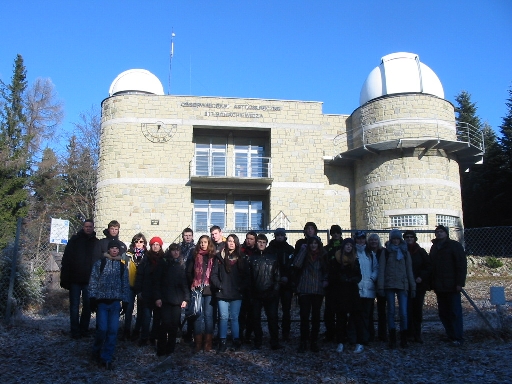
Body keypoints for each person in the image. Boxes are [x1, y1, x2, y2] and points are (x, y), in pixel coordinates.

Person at [89, 240, 130, 370]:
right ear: (108, 250)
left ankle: (107, 357)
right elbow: (93, 281)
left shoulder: (122, 267)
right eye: (112, 248)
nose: (114, 251)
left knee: (113, 331)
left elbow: (125, 284)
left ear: (119, 251)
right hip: (102, 302)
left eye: (116, 249)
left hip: (115, 303)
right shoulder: (100, 264)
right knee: (102, 329)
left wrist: (125, 301)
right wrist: (92, 298)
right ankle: (96, 351)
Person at [60, 219, 99, 339]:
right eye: (86, 226)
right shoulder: (74, 241)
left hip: (89, 280)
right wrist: (65, 278)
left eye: (90, 226)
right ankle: (75, 330)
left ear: (93, 228)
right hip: (75, 279)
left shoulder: (96, 242)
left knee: (88, 306)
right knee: (74, 306)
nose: (88, 228)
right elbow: (66, 259)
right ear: (83, 227)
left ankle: (84, 329)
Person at [429, 225, 467, 347]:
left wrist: (460, 283)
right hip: (440, 286)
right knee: (443, 312)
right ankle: (450, 335)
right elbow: (432, 266)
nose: (439, 234)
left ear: (446, 233)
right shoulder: (435, 247)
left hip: (452, 285)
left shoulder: (454, 246)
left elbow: (461, 265)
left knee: (455, 312)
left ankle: (458, 336)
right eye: (437, 232)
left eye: (441, 232)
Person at [378, 229, 416, 349]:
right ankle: (393, 337)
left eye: (397, 239)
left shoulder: (405, 253)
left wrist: (412, 286)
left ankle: (404, 337)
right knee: (391, 312)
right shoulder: (386, 252)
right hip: (389, 284)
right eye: (393, 239)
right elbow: (382, 270)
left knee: (403, 313)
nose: (395, 241)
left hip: (402, 284)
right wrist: (380, 286)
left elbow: (409, 270)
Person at [210, 234, 247, 352]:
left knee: (235, 317)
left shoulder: (242, 258)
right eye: (229, 241)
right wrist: (219, 286)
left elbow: (246, 276)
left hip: (236, 292)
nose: (231, 243)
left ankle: (236, 340)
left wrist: (241, 287)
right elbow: (213, 275)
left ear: (236, 243)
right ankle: (222, 341)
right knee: (223, 317)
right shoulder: (219, 257)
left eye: (233, 241)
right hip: (222, 293)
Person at [153, 243, 189, 357]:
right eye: (173, 250)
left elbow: (184, 283)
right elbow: (157, 282)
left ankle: (171, 349)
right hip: (165, 299)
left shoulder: (180, 265)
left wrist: (186, 298)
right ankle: (161, 349)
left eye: (178, 250)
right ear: (170, 251)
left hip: (177, 300)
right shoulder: (163, 263)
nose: (176, 253)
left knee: (174, 326)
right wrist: (157, 297)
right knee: (164, 325)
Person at [293, 235, 328, 353]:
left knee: (316, 317)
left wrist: (325, 280)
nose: (313, 245)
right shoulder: (305, 254)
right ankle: (303, 341)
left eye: (315, 243)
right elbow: (296, 264)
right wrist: (303, 250)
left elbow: (327, 270)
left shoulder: (323, 255)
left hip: (317, 289)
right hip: (305, 288)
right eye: (311, 243)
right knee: (304, 317)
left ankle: (314, 341)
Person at [328, 238, 363, 353]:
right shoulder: (336, 260)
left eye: (350, 245)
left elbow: (359, 276)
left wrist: (351, 280)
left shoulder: (355, 260)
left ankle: (359, 342)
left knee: (357, 317)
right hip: (340, 291)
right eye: (347, 245)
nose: (348, 247)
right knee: (341, 318)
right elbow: (332, 275)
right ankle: (340, 341)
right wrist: (340, 278)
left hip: (352, 291)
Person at [248, 234, 282, 350]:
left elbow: (278, 276)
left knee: (272, 318)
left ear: (266, 243)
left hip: (270, 293)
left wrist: (275, 291)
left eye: (263, 242)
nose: (261, 244)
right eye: (259, 242)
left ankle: (274, 341)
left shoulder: (273, 258)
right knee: (255, 319)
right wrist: (251, 294)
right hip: (256, 294)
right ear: (256, 243)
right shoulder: (251, 258)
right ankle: (258, 340)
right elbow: (249, 278)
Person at [187, 235, 216, 353]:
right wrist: (193, 283)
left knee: (208, 316)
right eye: (201, 242)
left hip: (209, 289)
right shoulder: (195, 255)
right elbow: (189, 271)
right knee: (197, 315)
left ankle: (208, 343)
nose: (203, 244)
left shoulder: (213, 256)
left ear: (209, 243)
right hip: (197, 289)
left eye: (205, 242)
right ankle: (198, 342)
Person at [266, 228, 295, 341]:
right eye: (277, 235)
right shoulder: (270, 250)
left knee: (286, 310)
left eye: (281, 235)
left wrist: (287, 277)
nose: (279, 237)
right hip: (273, 284)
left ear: (284, 236)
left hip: (286, 284)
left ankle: (285, 332)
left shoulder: (289, 249)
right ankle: (275, 332)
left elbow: (292, 266)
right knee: (273, 310)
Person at [403, 230, 431, 343]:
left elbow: (428, 266)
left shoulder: (420, 252)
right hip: (406, 285)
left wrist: (421, 277)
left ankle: (417, 333)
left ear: (415, 238)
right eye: (407, 237)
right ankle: (409, 332)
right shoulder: (402, 252)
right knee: (407, 310)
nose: (409, 239)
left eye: (411, 237)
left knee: (417, 310)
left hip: (419, 285)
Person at [134, 235, 162, 346]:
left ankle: (153, 337)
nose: (155, 247)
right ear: (150, 246)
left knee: (157, 317)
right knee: (146, 317)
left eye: (157, 245)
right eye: (153, 244)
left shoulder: (164, 258)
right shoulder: (145, 258)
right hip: (147, 291)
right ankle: (144, 337)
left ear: (160, 246)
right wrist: (139, 290)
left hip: (159, 293)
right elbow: (139, 275)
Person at [354, 231, 378, 345]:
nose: (360, 241)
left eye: (362, 238)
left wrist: (372, 279)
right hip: (357, 288)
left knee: (367, 314)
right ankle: (358, 336)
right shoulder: (353, 253)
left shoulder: (370, 253)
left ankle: (367, 336)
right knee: (356, 314)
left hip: (368, 287)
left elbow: (376, 268)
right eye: (358, 239)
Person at [122, 233, 147, 342]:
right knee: (128, 309)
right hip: (130, 285)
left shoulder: (147, 255)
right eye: (136, 241)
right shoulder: (127, 255)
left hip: (142, 286)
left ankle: (137, 331)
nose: (138, 244)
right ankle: (127, 330)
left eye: (141, 242)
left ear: (144, 243)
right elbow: (121, 270)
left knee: (141, 310)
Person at [323, 224, 343, 342]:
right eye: (334, 232)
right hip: (331, 281)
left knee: (341, 309)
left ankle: (341, 332)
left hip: (342, 281)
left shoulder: (345, 246)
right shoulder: (327, 248)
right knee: (329, 310)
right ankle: (330, 332)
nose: (335, 234)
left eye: (337, 232)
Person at [366, 233, 386, 342]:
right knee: (369, 310)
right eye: (371, 240)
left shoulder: (382, 252)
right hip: (369, 283)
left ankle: (382, 334)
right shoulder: (366, 252)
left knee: (381, 310)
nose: (373, 242)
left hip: (380, 284)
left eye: (375, 240)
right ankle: (370, 333)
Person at [178, 228, 196, 343]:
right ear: (183, 236)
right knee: (178, 309)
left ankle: (190, 333)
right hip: (178, 281)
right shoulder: (178, 248)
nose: (188, 237)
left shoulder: (195, 249)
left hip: (190, 281)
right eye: (186, 235)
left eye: (189, 235)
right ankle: (178, 332)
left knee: (190, 309)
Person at [239, 231, 257, 343]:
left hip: (254, 286)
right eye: (247, 238)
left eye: (251, 239)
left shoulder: (258, 252)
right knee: (241, 313)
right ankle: (240, 334)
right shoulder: (241, 251)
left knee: (252, 313)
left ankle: (248, 335)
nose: (248, 240)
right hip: (242, 286)